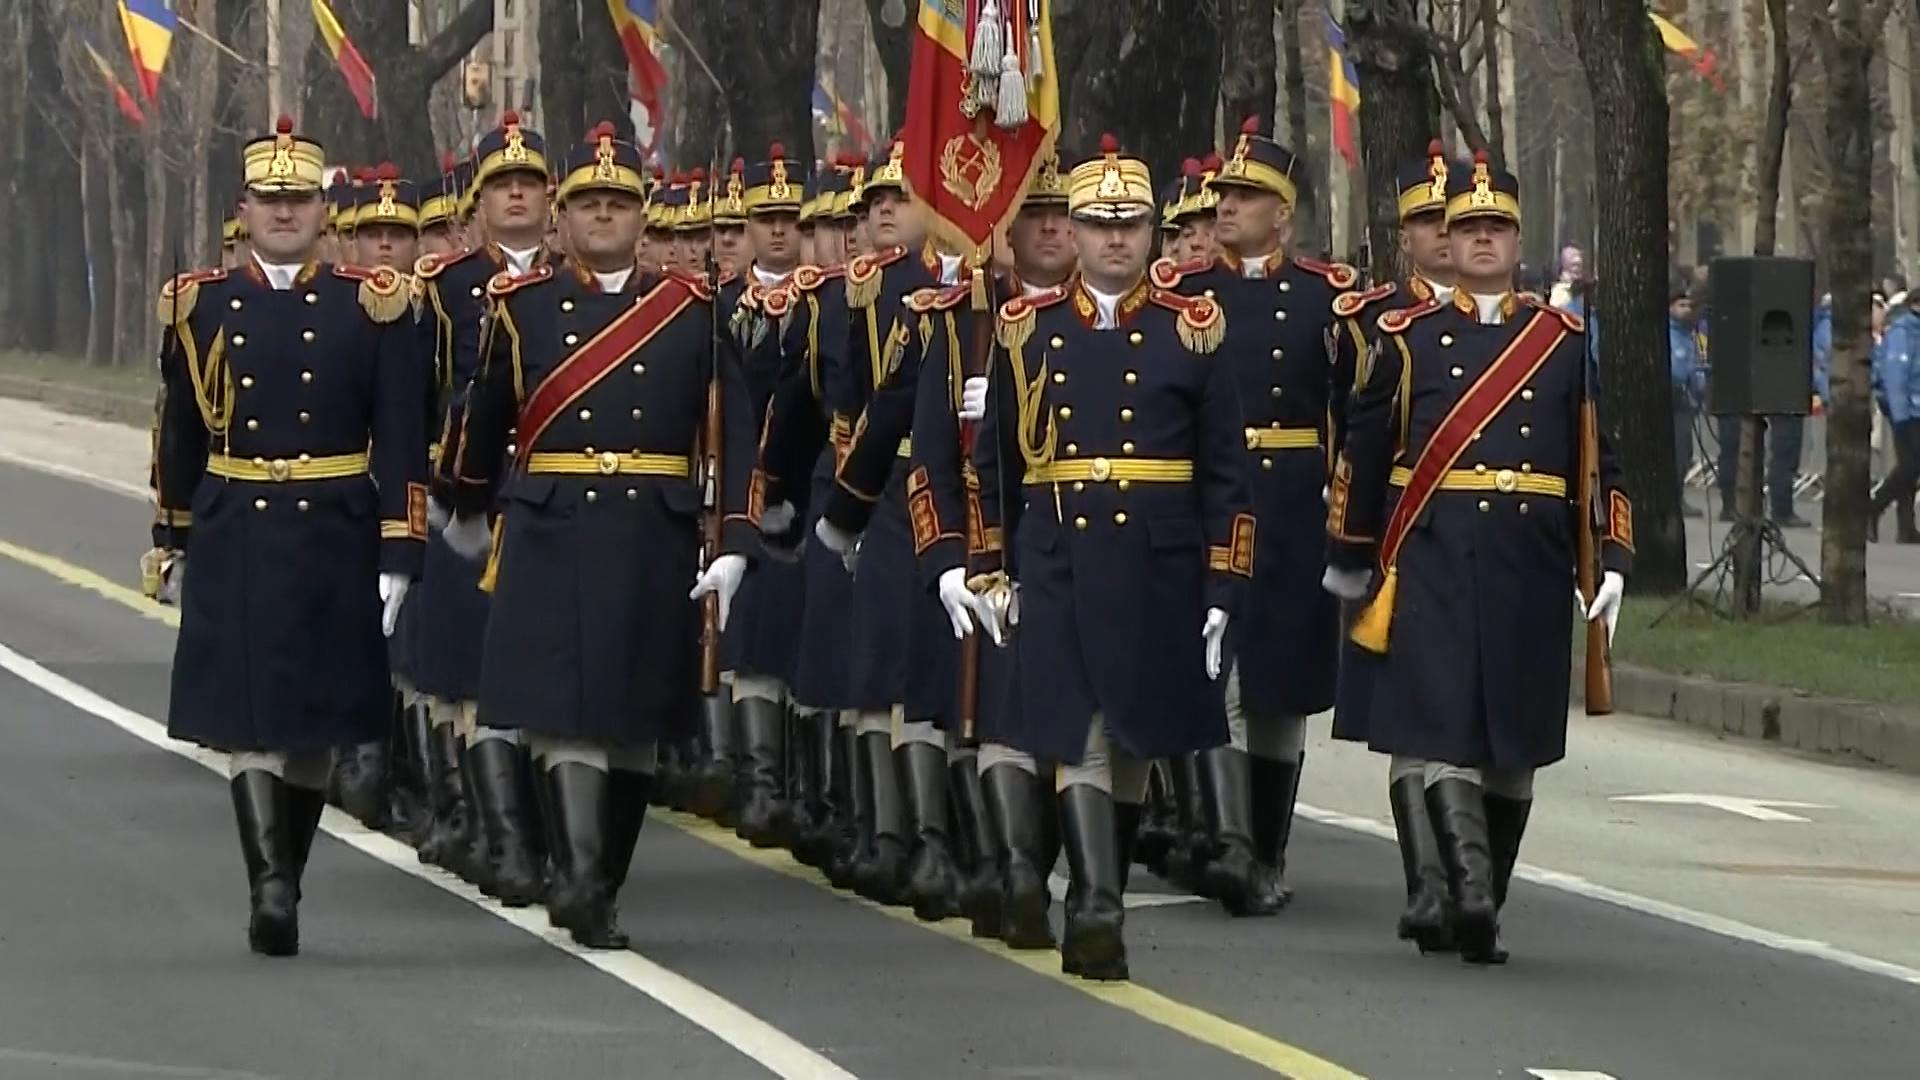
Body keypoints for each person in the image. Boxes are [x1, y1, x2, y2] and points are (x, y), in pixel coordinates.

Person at [438, 123, 757, 948]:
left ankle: (600, 878)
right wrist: (467, 506)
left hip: (653, 527)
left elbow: (734, 432)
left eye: (618, 203)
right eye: (589, 203)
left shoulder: (691, 310)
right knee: (563, 711)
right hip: (552, 522)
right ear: (562, 219)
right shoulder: (521, 307)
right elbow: (484, 421)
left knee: (634, 718)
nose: (604, 216)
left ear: (642, 217)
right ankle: (579, 879)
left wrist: (734, 538)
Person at [1325, 150, 1632, 965]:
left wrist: (1613, 561)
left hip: (1529, 563)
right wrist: (1352, 556)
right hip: (1436, 553)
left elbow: (1602, 458)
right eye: (1469, 228)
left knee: (1517, 743)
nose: (1484, 240)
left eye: (1498, 226)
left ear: (1518, 239)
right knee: (1447, 728)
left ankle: (1485, 887)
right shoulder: (1408, 339)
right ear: (1447, 243)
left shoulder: (1560, 341)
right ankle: (1470, 899)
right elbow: (1365, 448)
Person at [968, 135, 1251, 981]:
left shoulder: (1192, 329)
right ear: (1075, 233)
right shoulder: (1027, 332)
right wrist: (991, 567)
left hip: (1157, 563)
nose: (1114, 239)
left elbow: (1227, 469)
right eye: (1097, 224)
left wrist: (1224, 581)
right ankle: (1096, 905)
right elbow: (994, 467)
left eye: (1130, 224)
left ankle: (1101, 891)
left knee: (1133, 740)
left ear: (1153, 230)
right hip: (1059, 554)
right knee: (1083, 732)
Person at [144, 116, 427, 956]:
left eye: (298, 200)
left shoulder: (370, 306)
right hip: (236, 524)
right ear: (245, 209)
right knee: (249, 718)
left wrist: (400, 549)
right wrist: (173, 531)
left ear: (322, 212)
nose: (283, 213)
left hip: (334, 526)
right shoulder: (201, 305)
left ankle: (286, 875)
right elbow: (180, 434)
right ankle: (269, 883)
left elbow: (404, 435)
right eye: (269, 201)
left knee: (312, 724)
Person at [1167, 116, 1361, 915]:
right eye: (1222, 196)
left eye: (1245, 197)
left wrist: (1343, 506)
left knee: (1279, 687)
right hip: (1211, 498)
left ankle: (1267, 848)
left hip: (1288, 506)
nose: (1225, 208)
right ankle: (1225, 842)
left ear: (1282, 211)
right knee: (1214, 678)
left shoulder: (1323, 298)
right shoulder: (1188, 298)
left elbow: (1355, 413)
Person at [908, 152, 1079, 945]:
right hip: (993, 554)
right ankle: (1014, 868)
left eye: (1059, 214)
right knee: (1001, 715)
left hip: (1085, 554)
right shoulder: (961, 323)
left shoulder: (1119, 323)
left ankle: (1066, 870)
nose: (1047, 228)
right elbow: (929, 459)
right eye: (1031, 214)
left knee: (1077, 724)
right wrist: (946, 559)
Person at [811, 138, 966, 913]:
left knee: (945, 671)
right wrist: (856, 500)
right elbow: (852, 404)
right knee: (883, 665)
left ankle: (947, 835)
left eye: (902, 198)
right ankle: (886, 829)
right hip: (896, 479)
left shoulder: (977, 278)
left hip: (972, 481)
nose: (889, 214)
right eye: (879, 204)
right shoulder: (871, 289)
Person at [416, 111, 557, 902]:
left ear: (549, 201)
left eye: (527, 185)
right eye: (501, 185)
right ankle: (479, 818)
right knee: (464, 673)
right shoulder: (445, 288)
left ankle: (528, 826)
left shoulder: (569, 283)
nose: (514, 198)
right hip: (466, 493)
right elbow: (432, 394)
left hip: (545, 494)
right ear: (478, 200)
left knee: (534, 671)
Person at [1328, 139, 1459, 956]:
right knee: (1411, 718)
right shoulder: (1372, 322)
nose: (1443, 235)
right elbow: (1354, 437)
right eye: (1426, 222)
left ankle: (1467, 873)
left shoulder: (1522, 324)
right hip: (1403, 539)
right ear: (1402, 233)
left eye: (1455, 221)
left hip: (1485, 541)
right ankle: (1428, 883)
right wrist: (1353, 546)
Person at [1871, 292, 1920, 543]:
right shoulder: (1903, 331)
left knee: (1909, 469)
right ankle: (1873, 508)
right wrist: (1900, 414)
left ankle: (1906, 526)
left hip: (1916, 408)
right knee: (1910, 465)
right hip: (1908, 410)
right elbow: (1896, 374)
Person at [1669, 281, 1706, 518]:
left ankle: (1678, 497)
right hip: (1672, 400)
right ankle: (1672, 501)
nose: (1687, 310)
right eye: (1681, 305)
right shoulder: (1668, 333)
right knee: (1675, 455)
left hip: (1688, 402)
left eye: (1689, 305)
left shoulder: (1690, 335)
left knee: (1684, 455)